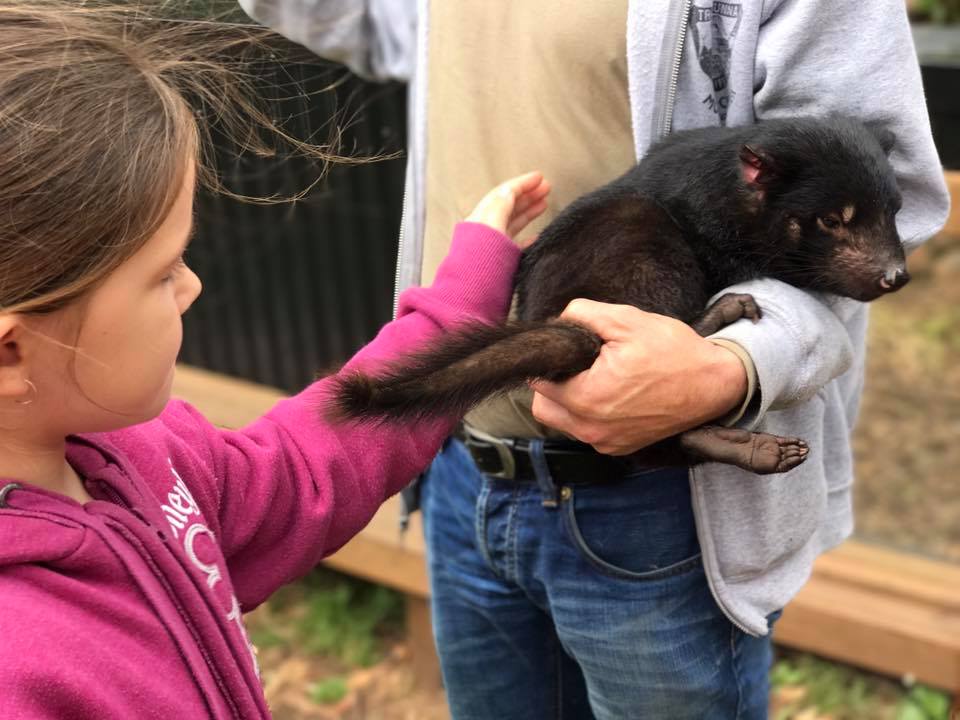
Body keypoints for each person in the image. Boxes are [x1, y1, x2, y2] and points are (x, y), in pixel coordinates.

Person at [240, 1, 950, 718]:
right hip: (463, 464)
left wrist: (732, 366)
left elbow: (878, 194)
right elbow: (375, 26)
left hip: (665, 513)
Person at [0, 4, 550, 718]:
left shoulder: (143, 456)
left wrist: (459, 305)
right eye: (162, 273)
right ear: (11, 352)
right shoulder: (22, 670)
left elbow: (306, 465)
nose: (192, 287)